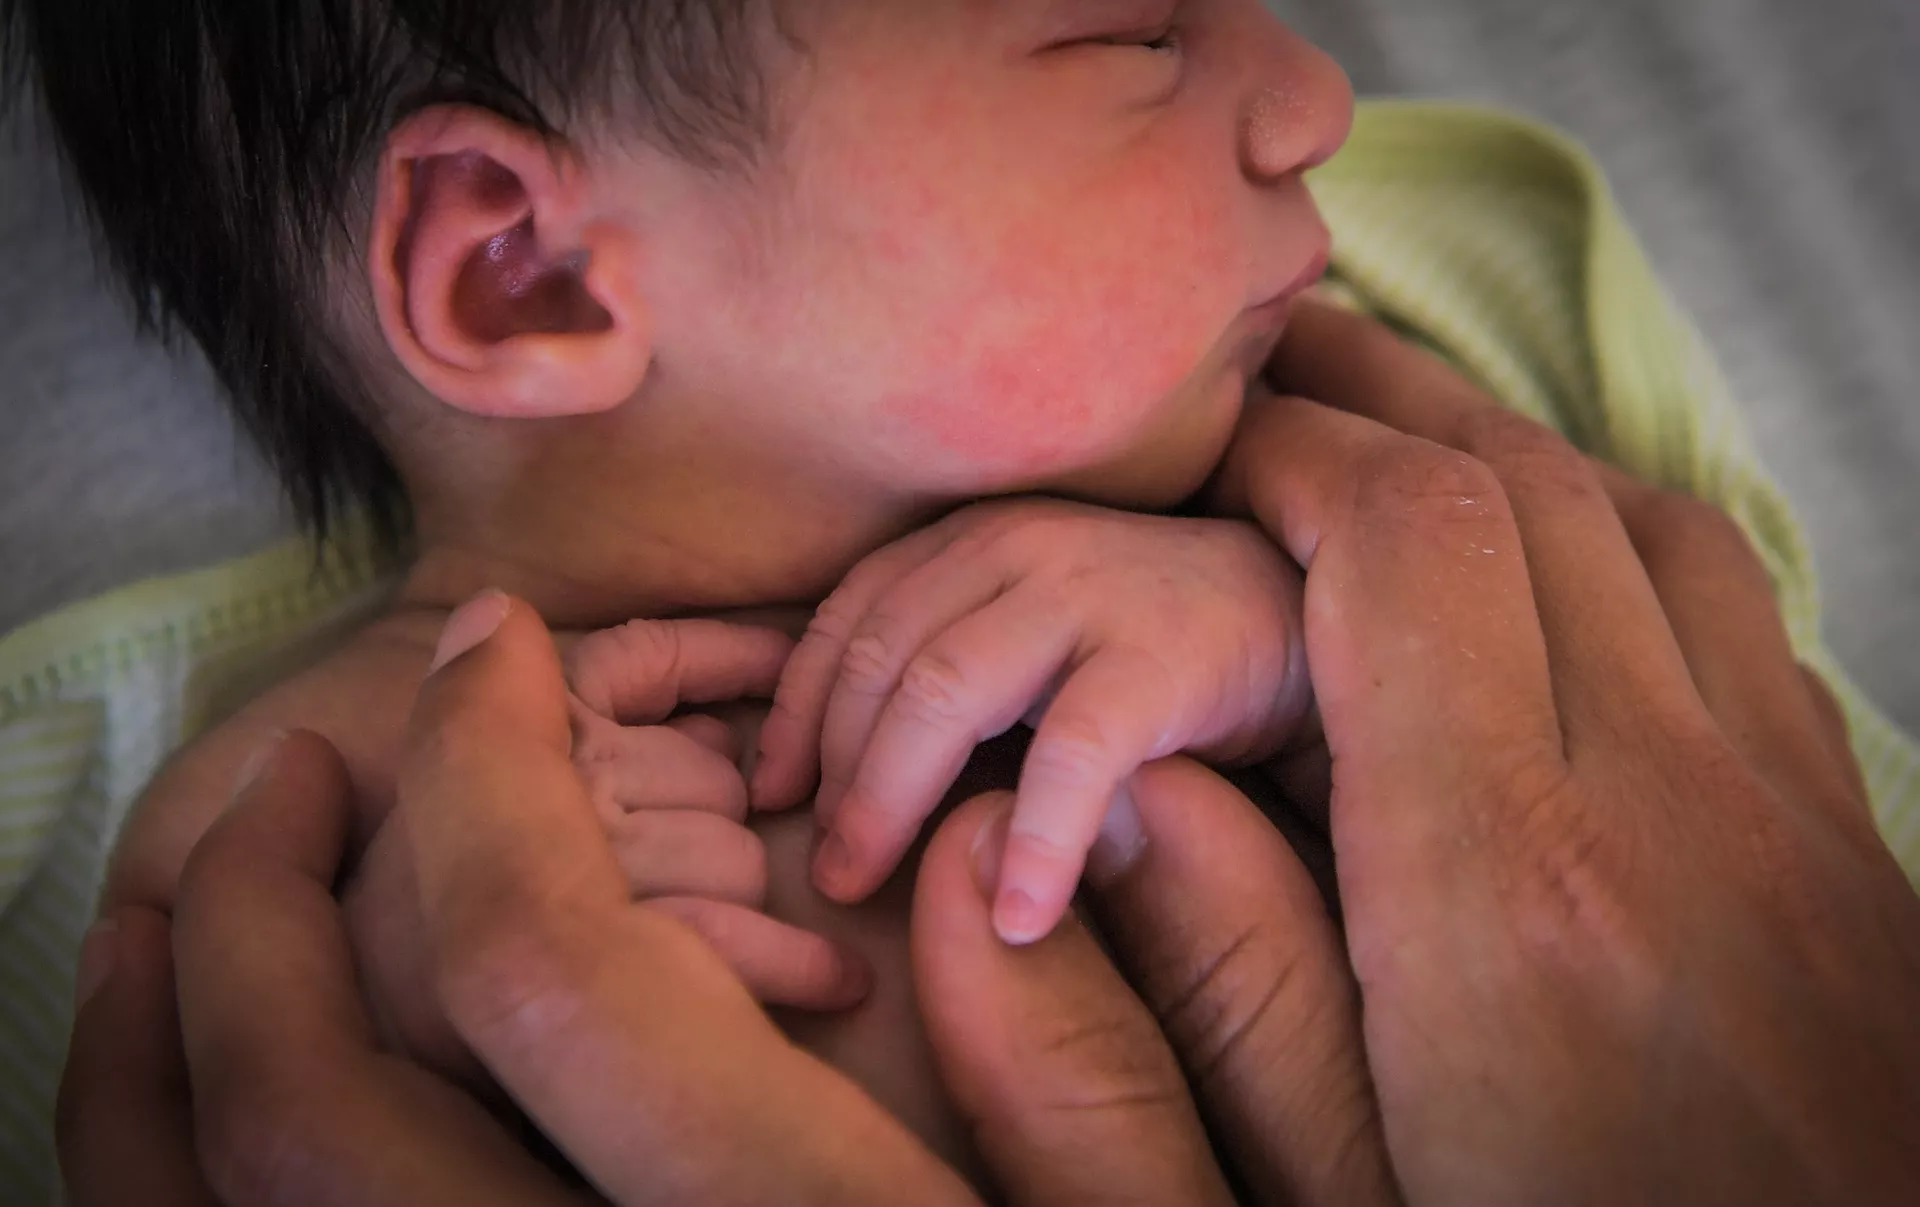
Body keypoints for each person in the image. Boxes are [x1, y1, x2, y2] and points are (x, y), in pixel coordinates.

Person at [61, 328, 1920, 1201]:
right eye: (1131, 39)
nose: (1308, 95)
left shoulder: (1339, 383)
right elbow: (202, 1035)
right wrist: (415, 966)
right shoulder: (298, 762)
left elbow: (1706, 833)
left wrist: (1284, 638)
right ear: (525, 266)